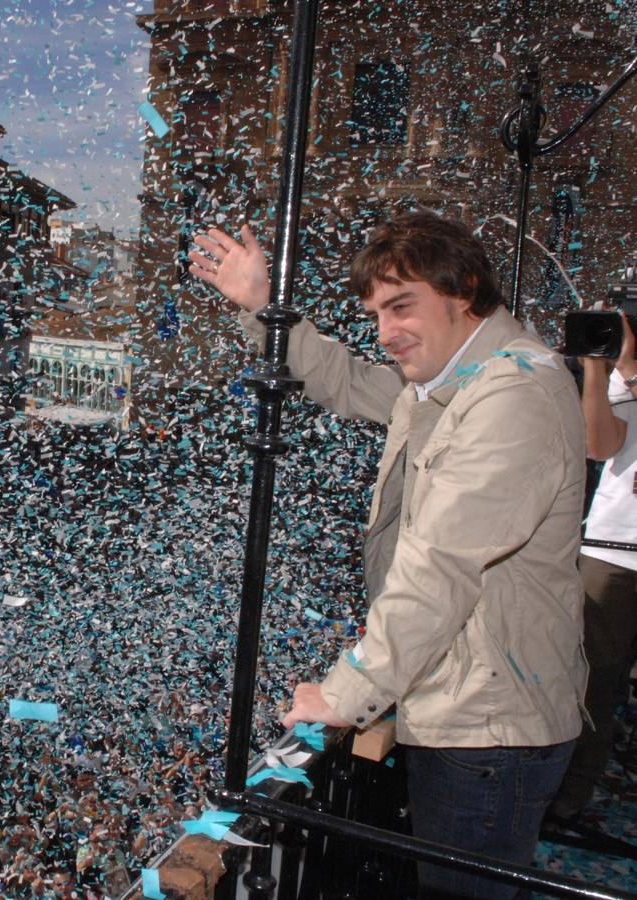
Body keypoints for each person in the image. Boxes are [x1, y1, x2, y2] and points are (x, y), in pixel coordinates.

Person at [189, 210, 587, 898]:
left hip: (488, 733)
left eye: (402, 306)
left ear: (465, 289)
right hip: (475, 709)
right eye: (376, 312)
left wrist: (344, 695)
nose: (387, 331)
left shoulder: (512, 396)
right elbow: (343, 380)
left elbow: (440, 567)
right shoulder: (453, 380)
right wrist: (262, 308)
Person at [550, 311, 637, 821]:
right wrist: (599, 370)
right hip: (612, 554)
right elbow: (598, 445)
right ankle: (566, 800)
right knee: (591, 684)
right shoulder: (623, 383)